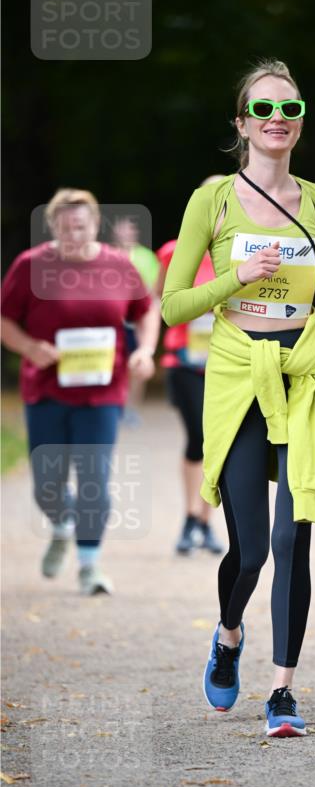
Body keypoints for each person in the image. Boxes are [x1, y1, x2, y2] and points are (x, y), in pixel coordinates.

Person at [161, 60, 315, 737]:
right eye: (265, 110)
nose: (279, 120)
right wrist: (236, 277)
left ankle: (282, 692)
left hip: (305, 372)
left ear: (300, 122)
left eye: (291, 109)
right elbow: (173, 306)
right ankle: (227, 632)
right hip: (237, 374)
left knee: (292, 535)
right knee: (249, 552)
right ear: (243, 124)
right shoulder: (211, 200)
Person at [1, 188, 160, 594]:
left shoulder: (117, 265)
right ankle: (61, 526)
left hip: (103, 393)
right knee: (47, 484)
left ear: (96, 225)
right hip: (47, 389)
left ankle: (90, 568)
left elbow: (147, 311)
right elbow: (4, 320)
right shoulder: (31, 265)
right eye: (67, 227)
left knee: (95, 478)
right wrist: (30, 347)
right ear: (53, 226)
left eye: (83, 226)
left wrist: (144, 350)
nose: (75, 233)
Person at [154, 176, 226, 556]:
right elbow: (157, 301)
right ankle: (189, 516)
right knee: (199, 436)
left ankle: (203, 520)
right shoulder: (173, 251)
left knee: (220, 441)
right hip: (183, 361)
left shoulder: (242, 250)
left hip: (229, 362)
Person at [112, 216, 162, 426]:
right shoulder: (108, 255)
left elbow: (152, 290)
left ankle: (131, 409)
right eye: (123, 230)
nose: (127, 234)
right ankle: (114, 407)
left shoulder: (146, 257)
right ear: (115, 233)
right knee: (113, 365)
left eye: (130, 231)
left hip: (136, 320)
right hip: (114, 320)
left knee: (138, 364)